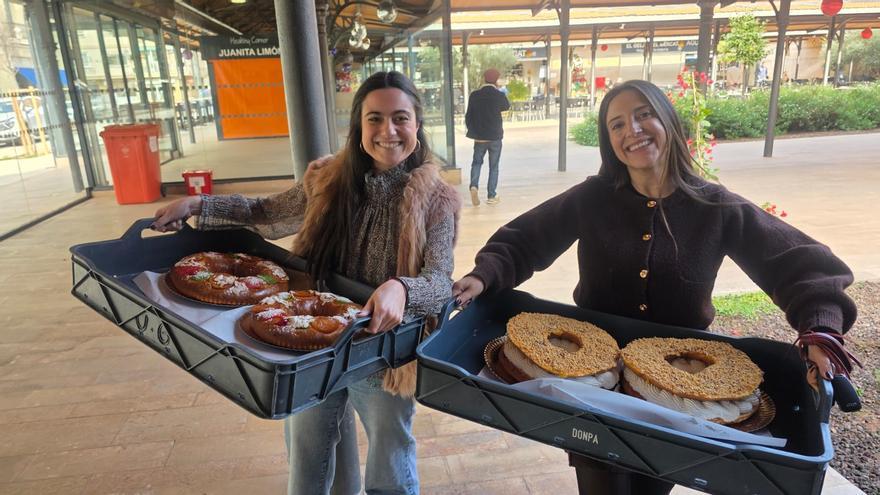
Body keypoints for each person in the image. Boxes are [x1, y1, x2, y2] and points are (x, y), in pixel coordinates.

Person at [451, 79, 858, 495]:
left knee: (652, 486)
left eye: (643, 115)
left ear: (667, 121)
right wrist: (484, 275)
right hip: (593, 387)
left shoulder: (716, 207)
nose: (632, 130)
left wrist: (821, 329)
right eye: (617, 124)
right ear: (609, 141)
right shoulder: (593, 198)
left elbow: (800, 265)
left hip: (683, 400)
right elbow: (524, 241)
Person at [152, 71, 461, 495]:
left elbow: (439, 281)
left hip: (382, 350)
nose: (387, 131)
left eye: (400, 118)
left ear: (417, 124)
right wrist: (196, 204)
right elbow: (265, 212)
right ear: (358, 126)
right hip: (311, 344)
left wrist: (403, 289)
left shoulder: (439, 199)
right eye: (374, 118)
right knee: (306, 449)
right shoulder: (327, 178)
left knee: (390, 458)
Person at [465, 68, 510, 206]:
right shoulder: (499, 95)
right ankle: (491, 196)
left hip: (479, 138)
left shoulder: (474, 95)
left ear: (484, 78)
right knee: (494, 166)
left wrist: (472, 131)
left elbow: (468, 116)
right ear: (496, 80)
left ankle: (474, 186)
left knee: (476, 163)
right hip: (495, 137)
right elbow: (506, 106)